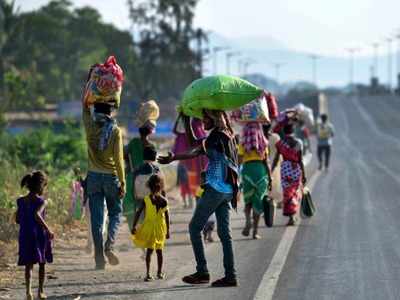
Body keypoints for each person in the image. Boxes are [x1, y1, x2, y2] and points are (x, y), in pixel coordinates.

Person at [159, 110, 239, 287]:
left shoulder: (216, 137)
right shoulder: (228, 135)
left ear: (215, 118)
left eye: (206, 118)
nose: (203, 122)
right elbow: (195, 144)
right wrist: (187, 121)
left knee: (194, 228)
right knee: (225, 234)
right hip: (228, 190)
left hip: (215, 188)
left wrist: (174, 158)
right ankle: (230, 275)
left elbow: (194, 149)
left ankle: (202, 271)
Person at [83, 99, 126, 270]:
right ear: (111, 112)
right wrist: (122, 182)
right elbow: (118, 159)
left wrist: (90, 86)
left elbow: (84, 108)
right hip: (111, 177)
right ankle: (110, 245)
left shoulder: (89, 126)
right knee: (116, 213)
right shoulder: (115, 130)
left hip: (93, 177)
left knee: (97, 219)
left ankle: (99, 257)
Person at [16, 171, 54, 300]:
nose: (44, 188)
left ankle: (28, 292)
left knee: (29, 264)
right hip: (38, 236)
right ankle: (41, 292)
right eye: (44, 185)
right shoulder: (41, 201)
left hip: (25, 235)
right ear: (40, 185)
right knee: (42, 263)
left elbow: (17, 219)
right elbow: (37, 215)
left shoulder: (20, 201)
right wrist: (48, 229)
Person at [131, 174, 170, 281]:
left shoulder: (146, 199)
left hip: (149, 227)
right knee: (159, 251)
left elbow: (138, 213)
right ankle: (159, 272)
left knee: (149, 251)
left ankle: (148, 274)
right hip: (160, 229)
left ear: (149, 186)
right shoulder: (164, 200)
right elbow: (167, 216)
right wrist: (168, 231)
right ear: (160, 186)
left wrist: (134, 225)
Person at [239, 122, 271, 239]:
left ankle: (248, 221)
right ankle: (255, 232)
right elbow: (266, 162)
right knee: (258, 201)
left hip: (247, 171)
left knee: (248, 200)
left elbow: (239, 161)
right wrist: (270, 178)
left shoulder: (243, 144)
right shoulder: (263, 143)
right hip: (261, 172)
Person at [271, 124, 307, 226]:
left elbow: (276, 158)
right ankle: (293, 216)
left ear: (284, 131)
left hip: (285, 169)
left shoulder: (281, 143)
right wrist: (303, 175)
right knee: (294, 192)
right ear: (293, 130)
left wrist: (271, 170)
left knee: (287, 193)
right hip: (296, 170)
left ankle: (291, 216)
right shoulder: (298, 143)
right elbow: (300, 160)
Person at [123, 121, 156, 229]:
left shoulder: (133, 142)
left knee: (131, 201)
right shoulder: (152, 145)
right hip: (149, 178)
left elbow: (123, 153)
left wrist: (128, 163)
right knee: (149, 202)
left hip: (133, 177)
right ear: (150, 133)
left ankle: (135, 226)